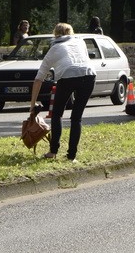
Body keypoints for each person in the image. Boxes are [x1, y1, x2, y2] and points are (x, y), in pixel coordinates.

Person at [28, 23, 97, 161]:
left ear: (55, 34)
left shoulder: (54, 48)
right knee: (76, 118)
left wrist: (32, 105)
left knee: (57, 114)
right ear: (71, 32)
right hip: (89, 75)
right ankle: (72, 156)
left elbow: (38, 79)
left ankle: (53, 152)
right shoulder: (80, 41)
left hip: (67, 76)